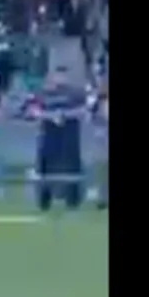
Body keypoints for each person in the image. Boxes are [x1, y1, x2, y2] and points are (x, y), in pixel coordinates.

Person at [32, 66, 86, 211]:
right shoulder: (44, 94)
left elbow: (83, 110)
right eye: (57, 75)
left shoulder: (75, 93)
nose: (60, 79)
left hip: (69, 136)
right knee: (45, 166)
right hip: (49, 135)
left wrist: (65, 115)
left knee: (72, 165)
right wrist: (51, 116)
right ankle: (44, 200)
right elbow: (34, 111)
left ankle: (73, 200)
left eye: (63, 76)